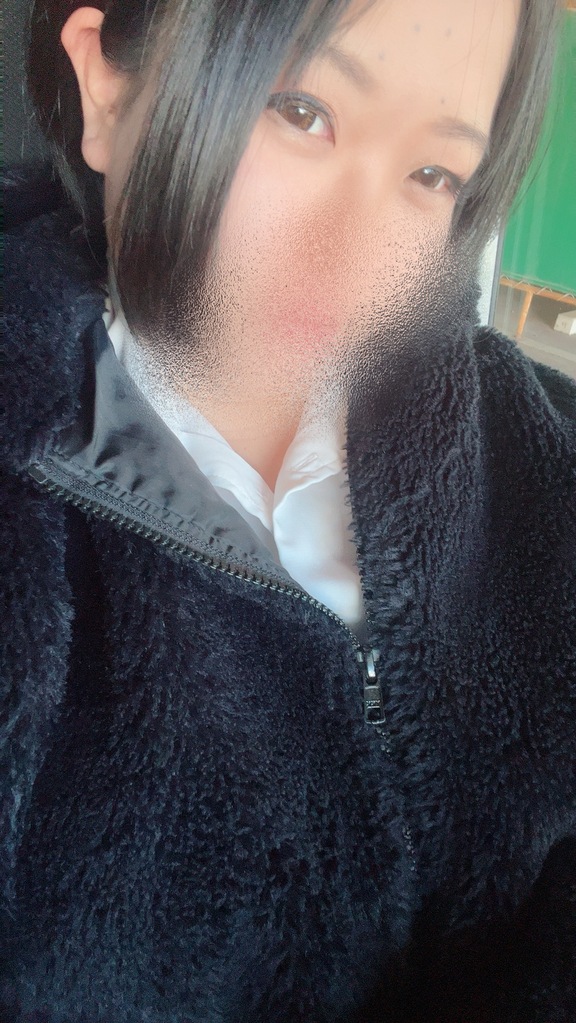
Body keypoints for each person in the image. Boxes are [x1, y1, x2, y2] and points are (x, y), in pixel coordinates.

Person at [2, 0, 575, 1019]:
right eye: (302, 112)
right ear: (107, 87)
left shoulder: (536, 452)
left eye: (432, 173)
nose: (358, 251)